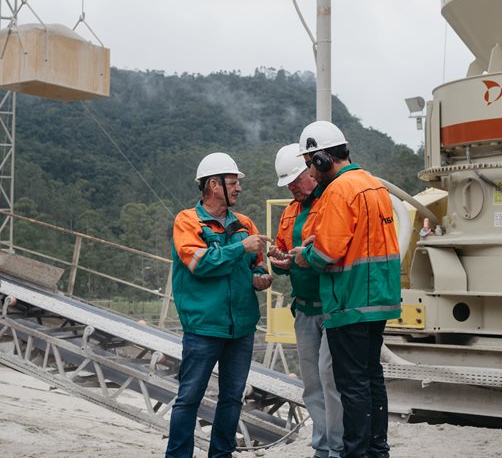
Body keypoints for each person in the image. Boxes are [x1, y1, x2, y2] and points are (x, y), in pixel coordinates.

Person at [291, 121, 401, 458]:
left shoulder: (338, 190)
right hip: (379, 299)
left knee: (351, 384)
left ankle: (355, 452)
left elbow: (326, 254)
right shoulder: (373, 185)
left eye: (311, 163)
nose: (311, 171)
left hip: (349, 301)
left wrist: (303, 254)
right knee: (372, 379)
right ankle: (377, 450)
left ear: (322, 159)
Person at [166, 152, 273, 458]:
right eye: (233, 182)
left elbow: (257, 266)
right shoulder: (187, 221)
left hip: (241, 327)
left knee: (232, 398)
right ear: (214, 185)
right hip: (203, 327)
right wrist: (241, 248)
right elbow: (200, 264)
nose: (239, 188)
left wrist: (261, 277)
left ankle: (221, 455)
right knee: (189, 398)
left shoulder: (245, 223)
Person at [267, 143, 343, 458]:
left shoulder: (331, 204)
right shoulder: (289, 213)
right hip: (305, 309)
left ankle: (338, 446)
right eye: (289, 185)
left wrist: (306, 257)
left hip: (333, 307)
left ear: (311, 172)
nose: (294, 188)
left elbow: (335, 251)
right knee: (312, 384)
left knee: (331, 379)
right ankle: (322, 447)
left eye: (297, 181)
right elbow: (283, 256)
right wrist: (279, 262)